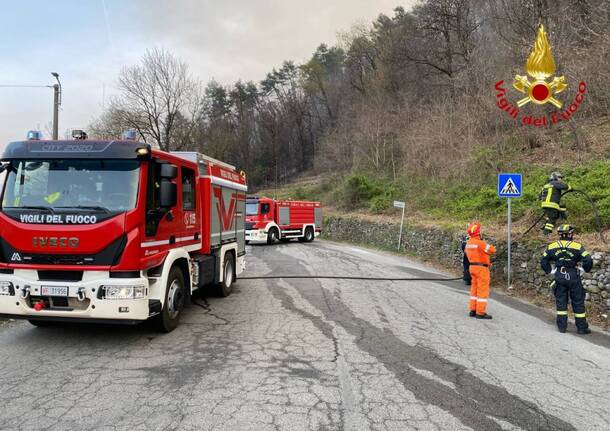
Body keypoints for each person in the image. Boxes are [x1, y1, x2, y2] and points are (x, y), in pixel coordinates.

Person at [540, 224, 593, 334]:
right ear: (570, 234)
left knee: (561, 301)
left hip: (559, 275)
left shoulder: (551, 246)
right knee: (578, 301)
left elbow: (544, 260)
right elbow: (588, 259)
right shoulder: (577, 246)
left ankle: (562, 327)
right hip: (573, 275)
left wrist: (550, 271)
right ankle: (582, 328)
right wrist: (584, 269)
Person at [464, 222, 496, 319]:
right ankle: (480, 312)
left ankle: (473, 310)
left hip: (472, 268)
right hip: (481, 269)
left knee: (474, 289)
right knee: (482, 290)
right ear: (478, 233)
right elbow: (492, 250)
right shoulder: (480, 243)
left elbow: (471, 254)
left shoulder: (468, 243)